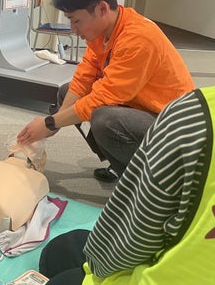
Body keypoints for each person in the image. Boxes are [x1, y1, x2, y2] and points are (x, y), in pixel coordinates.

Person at [17, 0, 194, 182]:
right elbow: (83, 79)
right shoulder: (103, 31)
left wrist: (49, 123)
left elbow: (103, 98)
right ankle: (122, 165)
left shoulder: (138, 38)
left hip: (172, 125)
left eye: (76, 20)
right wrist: (54, 124)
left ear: (102, 9)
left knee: (104, 120)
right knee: (67, 93)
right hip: (138, 107)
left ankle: (150, 183)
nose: (74, 29)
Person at [38, 86, 215, 284]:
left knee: (59, 259)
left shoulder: (195, 117)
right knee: (60, 251)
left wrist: (50, 123)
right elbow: (84, 78)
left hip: (169, 274)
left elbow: (134, 238)